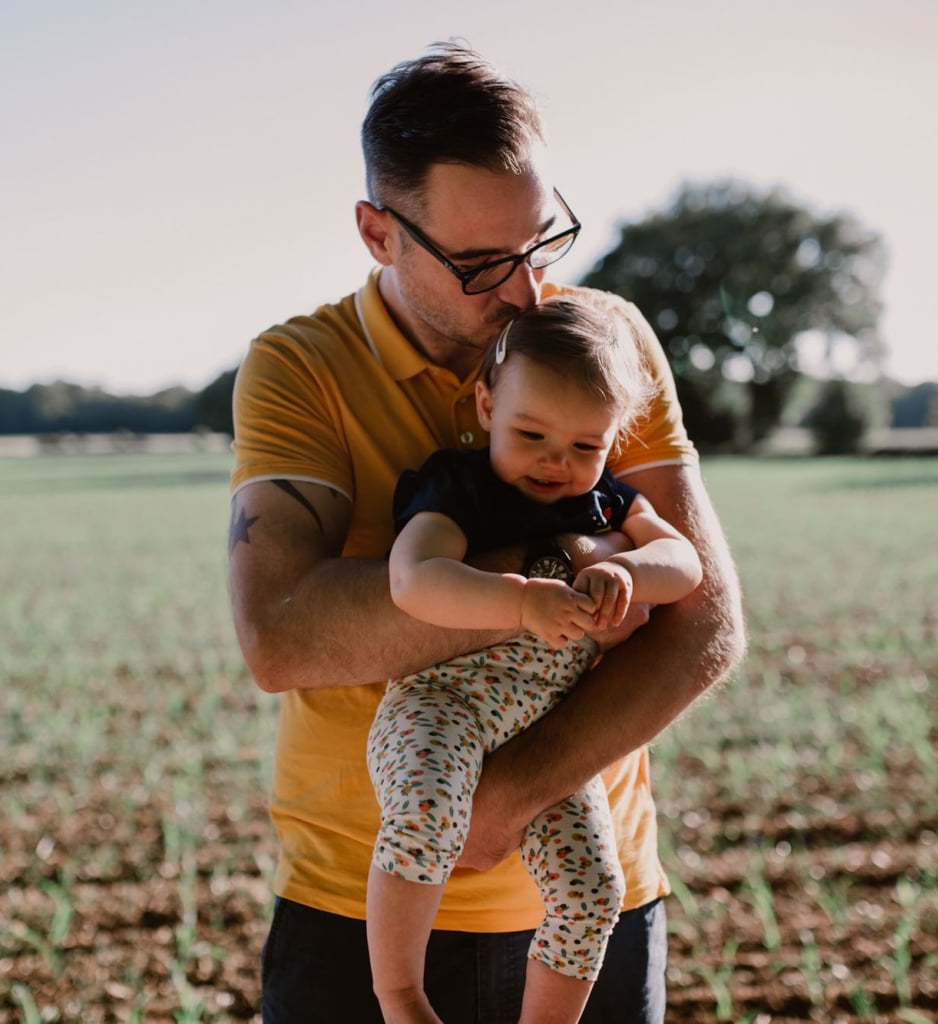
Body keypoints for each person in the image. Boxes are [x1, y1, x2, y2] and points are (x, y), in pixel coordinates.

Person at [228, 42, 746, 1024]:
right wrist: (559, 573)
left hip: (595, 904)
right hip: (355, 905)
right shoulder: (300, 369)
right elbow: (282, 633)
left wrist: (510, 793)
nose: (527, 294)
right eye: (479, 264)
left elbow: (705, 621)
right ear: (379, 233)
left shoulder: (605, 341)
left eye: (542, 242)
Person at [366, 295, 704, 1024]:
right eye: (532, 433)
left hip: (548, 730)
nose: (557, 461)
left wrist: (630, 572)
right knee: (423, 816)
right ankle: (400, 995)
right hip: (442, 706)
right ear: (487, 405)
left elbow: (684, 563)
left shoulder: (605, 505)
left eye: (587, 446)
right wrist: (523, 602)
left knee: (592, 889)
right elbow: (413, 580)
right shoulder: (457, 486)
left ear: (615, 439)